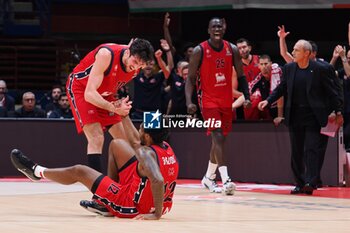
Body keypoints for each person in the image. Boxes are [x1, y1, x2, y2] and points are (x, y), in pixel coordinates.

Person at [10, 116, 179, 220]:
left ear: (148, 137)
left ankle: (37, 172)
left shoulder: (146, 153)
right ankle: (104, 202)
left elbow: (157, 179)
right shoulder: (165, 147)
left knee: (80, 170)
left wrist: (155, 214)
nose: (139, 129)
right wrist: (124, 114)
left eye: (141, 128)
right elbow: (136, 141)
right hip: (151, 198)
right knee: (117, 144)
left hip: (132, 205)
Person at [258, 40, 343, 195]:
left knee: (311, 149)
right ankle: (299, 182)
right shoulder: (289, 68)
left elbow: (332, 92)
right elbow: (281, 88)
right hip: (295, 115)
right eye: (294, 49)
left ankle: (311, 182)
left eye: (297, 50)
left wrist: (338, 111)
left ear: (307, 53)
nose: (294, 52)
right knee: (296, 151)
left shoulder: (319, 69)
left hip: (313, 116)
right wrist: (268, 100)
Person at [66, 38, 154, 172]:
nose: (135, 67)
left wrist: (118, 104)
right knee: (96, 137)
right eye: (135, 62)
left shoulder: (135, 65)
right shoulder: (106, 54)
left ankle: (127, 181)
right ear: (128, 52)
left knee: (123, 141)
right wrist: (114, 108)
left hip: (105, 94)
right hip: (82, 89)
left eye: (140, 65)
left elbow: (112, 83)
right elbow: (89, 94)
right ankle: (98, 187)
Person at [185, 17, 250, 195]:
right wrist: (189, 102)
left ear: (224, 29)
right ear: (208, 30)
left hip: (225, 100)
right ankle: (226, 179)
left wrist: (247, 96)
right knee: (218, 136)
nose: (217, 29)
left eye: (219, 26)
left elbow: (242, 75)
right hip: (208, 100)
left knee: (218, 140)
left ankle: (208, 177)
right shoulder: (200, 50)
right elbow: (190, 78)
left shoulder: (232, 49)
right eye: (213, 26)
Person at [131, 39, 173, 119]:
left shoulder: (158, 76)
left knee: (151, 132)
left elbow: (169, 68)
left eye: (151, 64)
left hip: (153, 114)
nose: (148, 66)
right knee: (135, 132)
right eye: (146, 63)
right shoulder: (136, 74)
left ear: (154, 65)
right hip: (137, 112)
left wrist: (167, 51)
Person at [249, 54, 284, 122]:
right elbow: (247, 91)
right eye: (261, 64)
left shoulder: (276, 71)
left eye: (266, 64)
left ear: (271, 64)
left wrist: (280, 116)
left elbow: (280, 93)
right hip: (271, 110)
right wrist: (233, 106)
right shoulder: (259, 77)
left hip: (286, 109)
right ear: (258, 66)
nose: (264, 66)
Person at [236, 38, 261, 120]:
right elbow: (232, 90)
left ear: (249, 48)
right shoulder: (236, 67)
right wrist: (247, 96)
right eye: (239, 48)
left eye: (244, 47)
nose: (242, 50)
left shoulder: (260, 60)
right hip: (247, 98)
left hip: (263, 95)